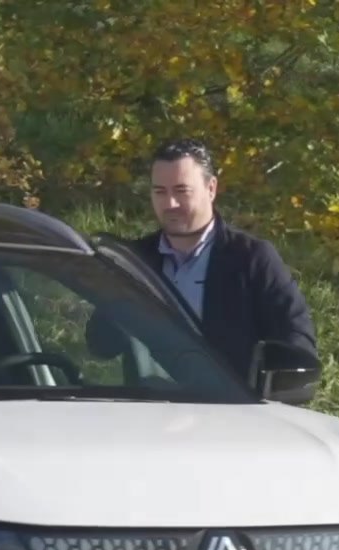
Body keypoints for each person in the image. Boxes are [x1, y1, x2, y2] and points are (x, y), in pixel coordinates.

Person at [131, 138, 318, 383]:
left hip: (226, 405)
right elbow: (101, 345)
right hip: (143, 402)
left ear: (211, 188)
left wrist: (272, 389)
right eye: (160, 192)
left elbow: (297, 343)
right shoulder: (135, 259)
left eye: (181, 191)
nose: (170, 203)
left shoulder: (251, 259)